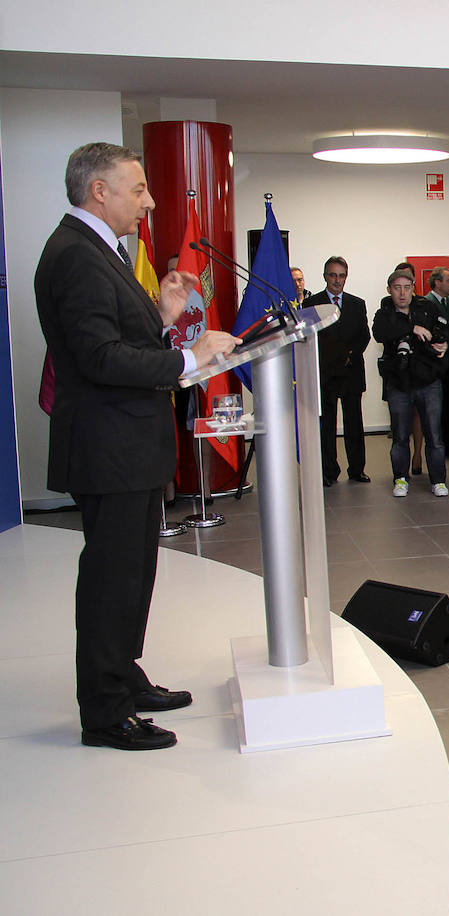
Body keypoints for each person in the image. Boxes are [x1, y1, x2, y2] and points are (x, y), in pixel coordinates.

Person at [37, 142, 239, 751]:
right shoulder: (76, 254)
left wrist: (162, 313)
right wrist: (189, 354)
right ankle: (104, 712)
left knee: (133, 574)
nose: (148, 202)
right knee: (112, 581)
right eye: (140, 189)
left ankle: (122, 675)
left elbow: (113, 335)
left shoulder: (101, 251)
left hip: (126, 445)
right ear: (99, 190)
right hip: (109, 447)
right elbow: (98, 359)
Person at [372, 270, 449, 497]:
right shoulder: (384, 313)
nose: (402, 293)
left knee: (435, 436)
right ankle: (400, 478)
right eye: (397, 288)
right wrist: (411, 328)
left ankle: (438, 480)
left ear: (413, 288)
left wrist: (444, 344)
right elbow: (379, 333)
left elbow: (446, 330)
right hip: (399, 383)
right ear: (389, 290)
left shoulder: (426, 307)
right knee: (400, 436)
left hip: (428, 381)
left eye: (407, 287)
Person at [305, 256, 371, 485]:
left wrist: (349, 355)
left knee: (354, 422)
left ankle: (357, 470)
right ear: (325, 276)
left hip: (351, 371)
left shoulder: (356, 303)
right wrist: (334, 357)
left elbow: (364, 335)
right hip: (325, 373)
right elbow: (310, 338)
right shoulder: (312, 303)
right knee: (328, 425)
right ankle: (328, 471)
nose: (337, 280)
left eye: (341, 275)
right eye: (333, 275)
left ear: (346, 277)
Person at [423, 265, 449, 460]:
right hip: (436, 363)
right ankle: (439, 443)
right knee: (437, 408)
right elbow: (439, 328)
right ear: (437, 283)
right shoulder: (427, 303)